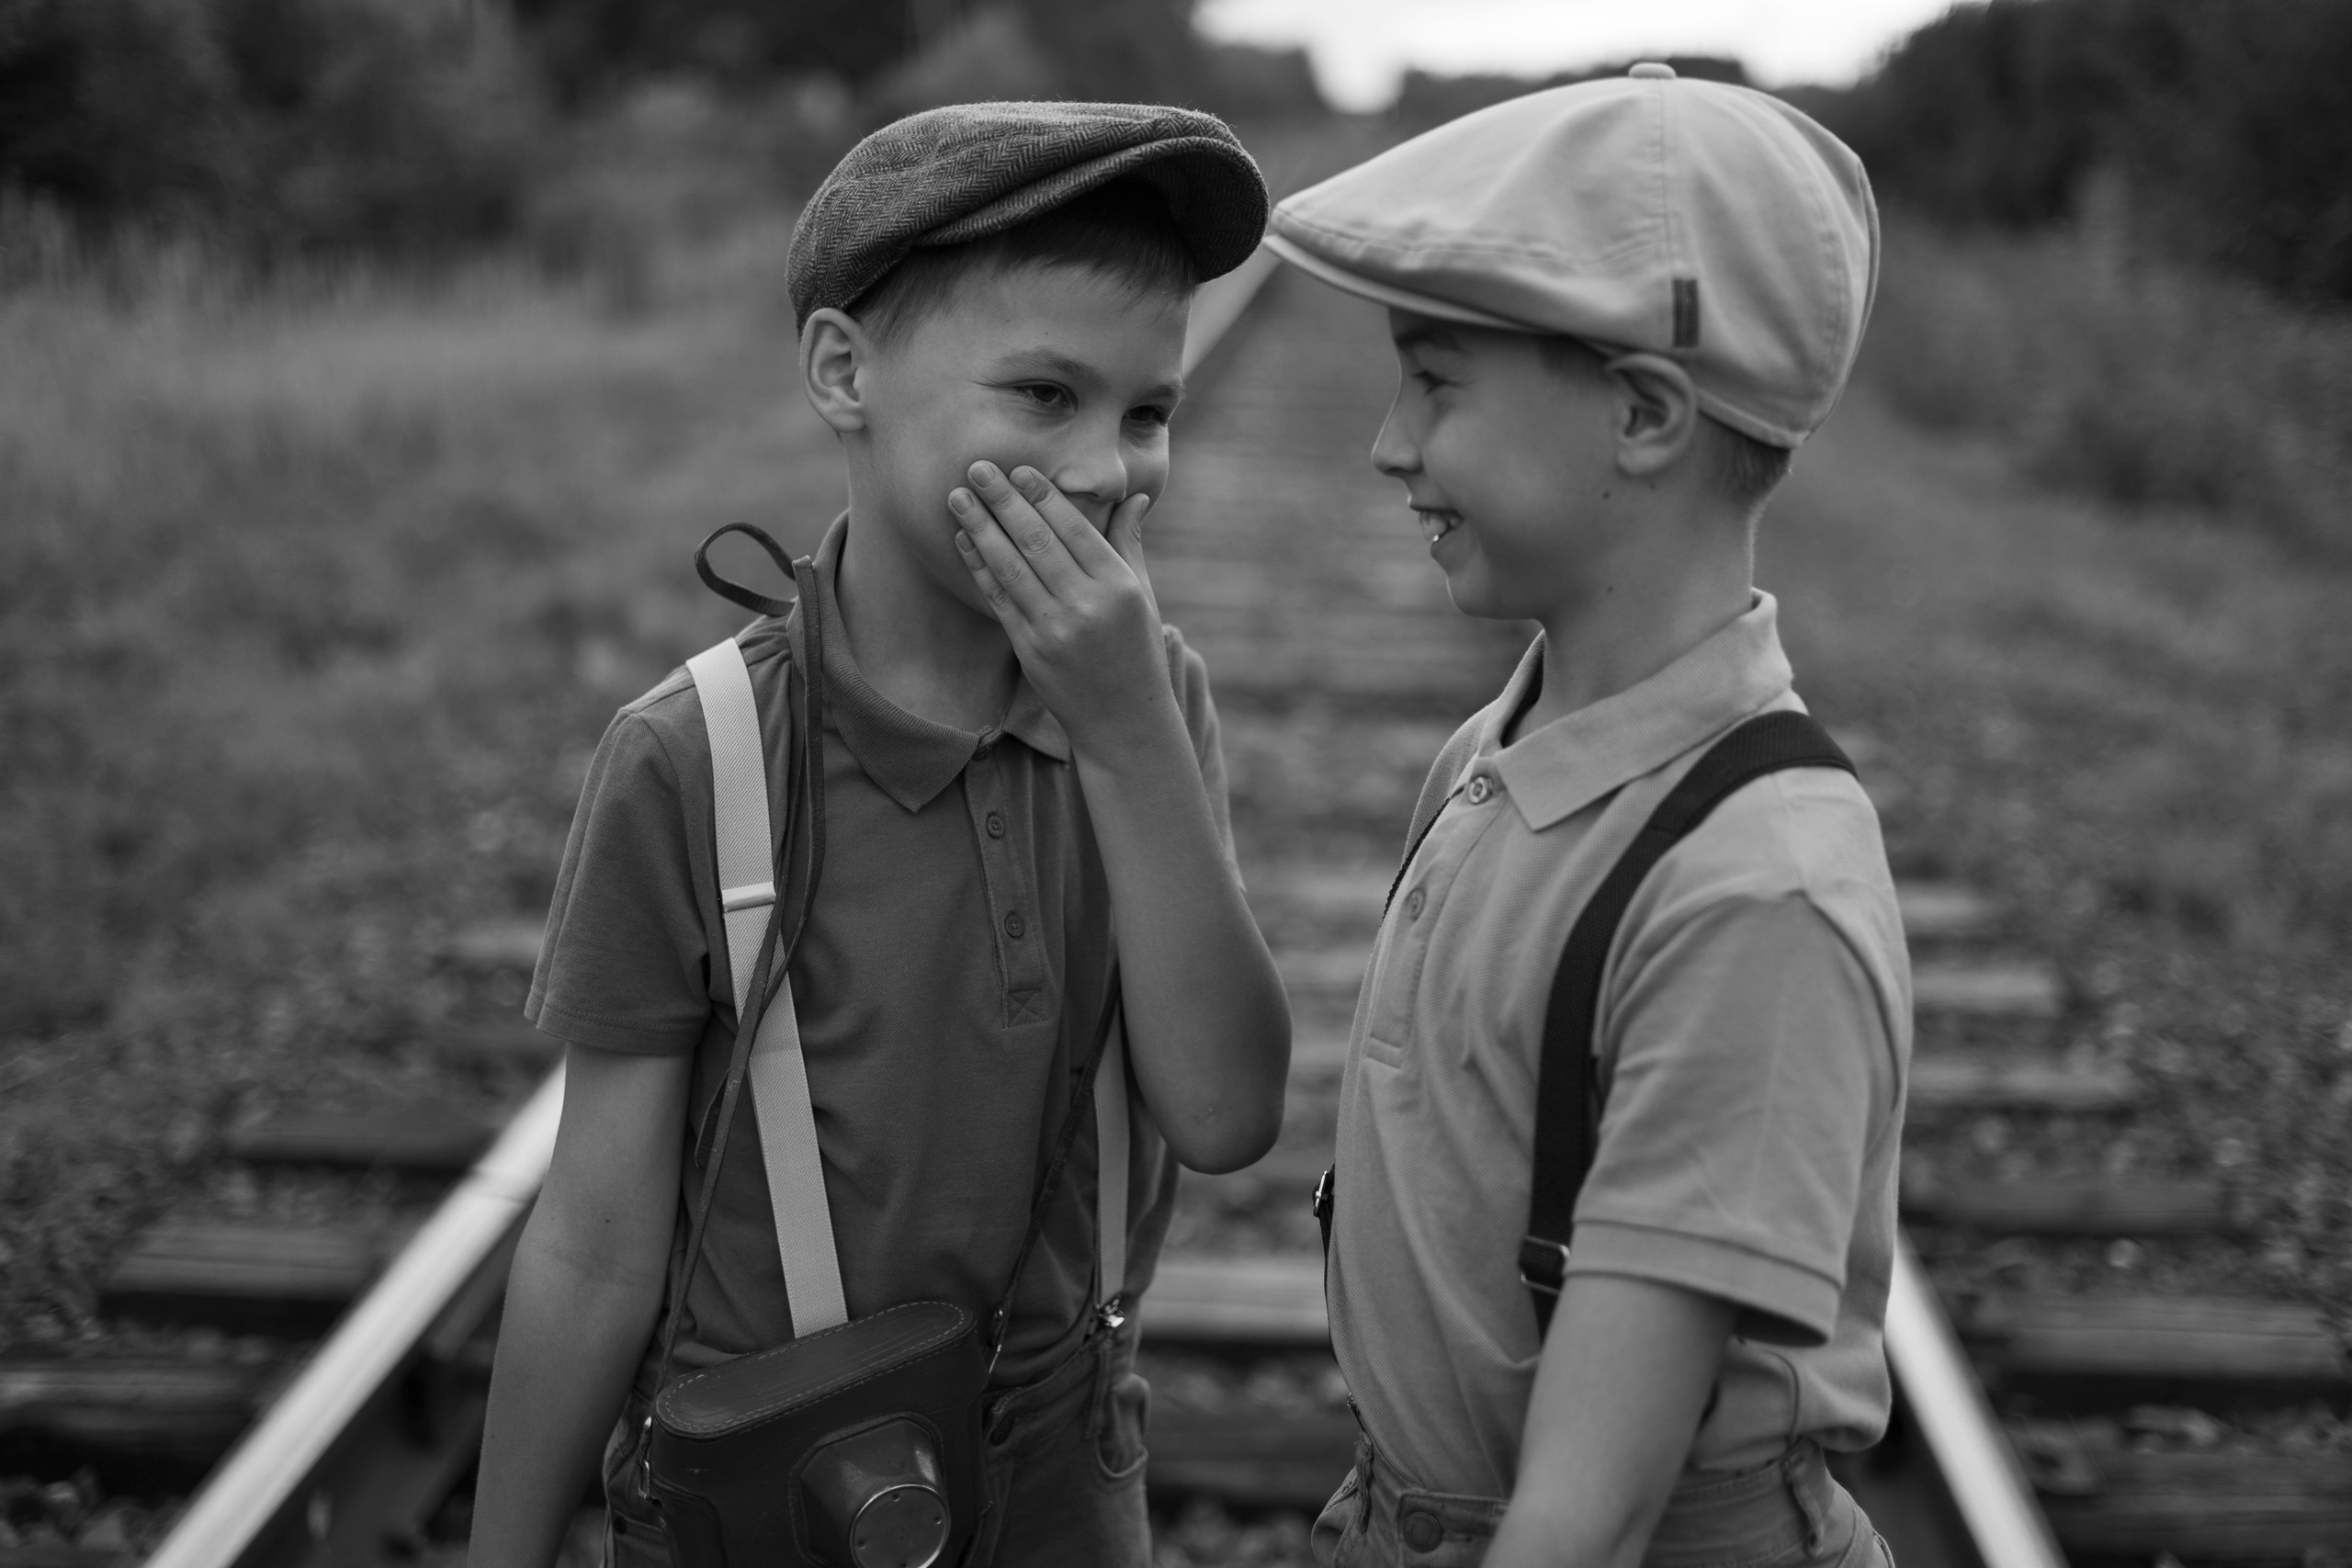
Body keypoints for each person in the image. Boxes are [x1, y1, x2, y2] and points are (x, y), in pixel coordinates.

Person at [468, 103, 1291, 1568]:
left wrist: (1123, 733)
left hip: (1061, 1476)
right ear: (845, 372)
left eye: (1147, 410)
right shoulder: (692, 758)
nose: (1112, 468)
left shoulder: (1151, 708)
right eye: (1045, 394)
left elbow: (1225, 1116)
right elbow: (593, 1242)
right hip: (767, 1488)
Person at [1263, 65, 1910, 1568]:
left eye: (1435, 381)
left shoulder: (1761, 891)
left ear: (1641, 412)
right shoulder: (1502, 748)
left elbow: (1594, 1512)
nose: (1385, 441)